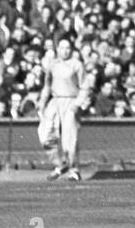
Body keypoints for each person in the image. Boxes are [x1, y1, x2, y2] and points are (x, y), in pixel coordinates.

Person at [37, 35, 93, 180]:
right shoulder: (52, 65)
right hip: (55, 101)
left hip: (71, 101)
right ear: (57, 49)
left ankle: (74, 169)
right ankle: (61, 164)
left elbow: (85, 87)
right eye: (62, 48)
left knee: (69, 139)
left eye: (68, 48)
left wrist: (77, 103)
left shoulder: (77, 65)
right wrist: (42, 102)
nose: (65, 51)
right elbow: (47, 85)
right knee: (46, 134)